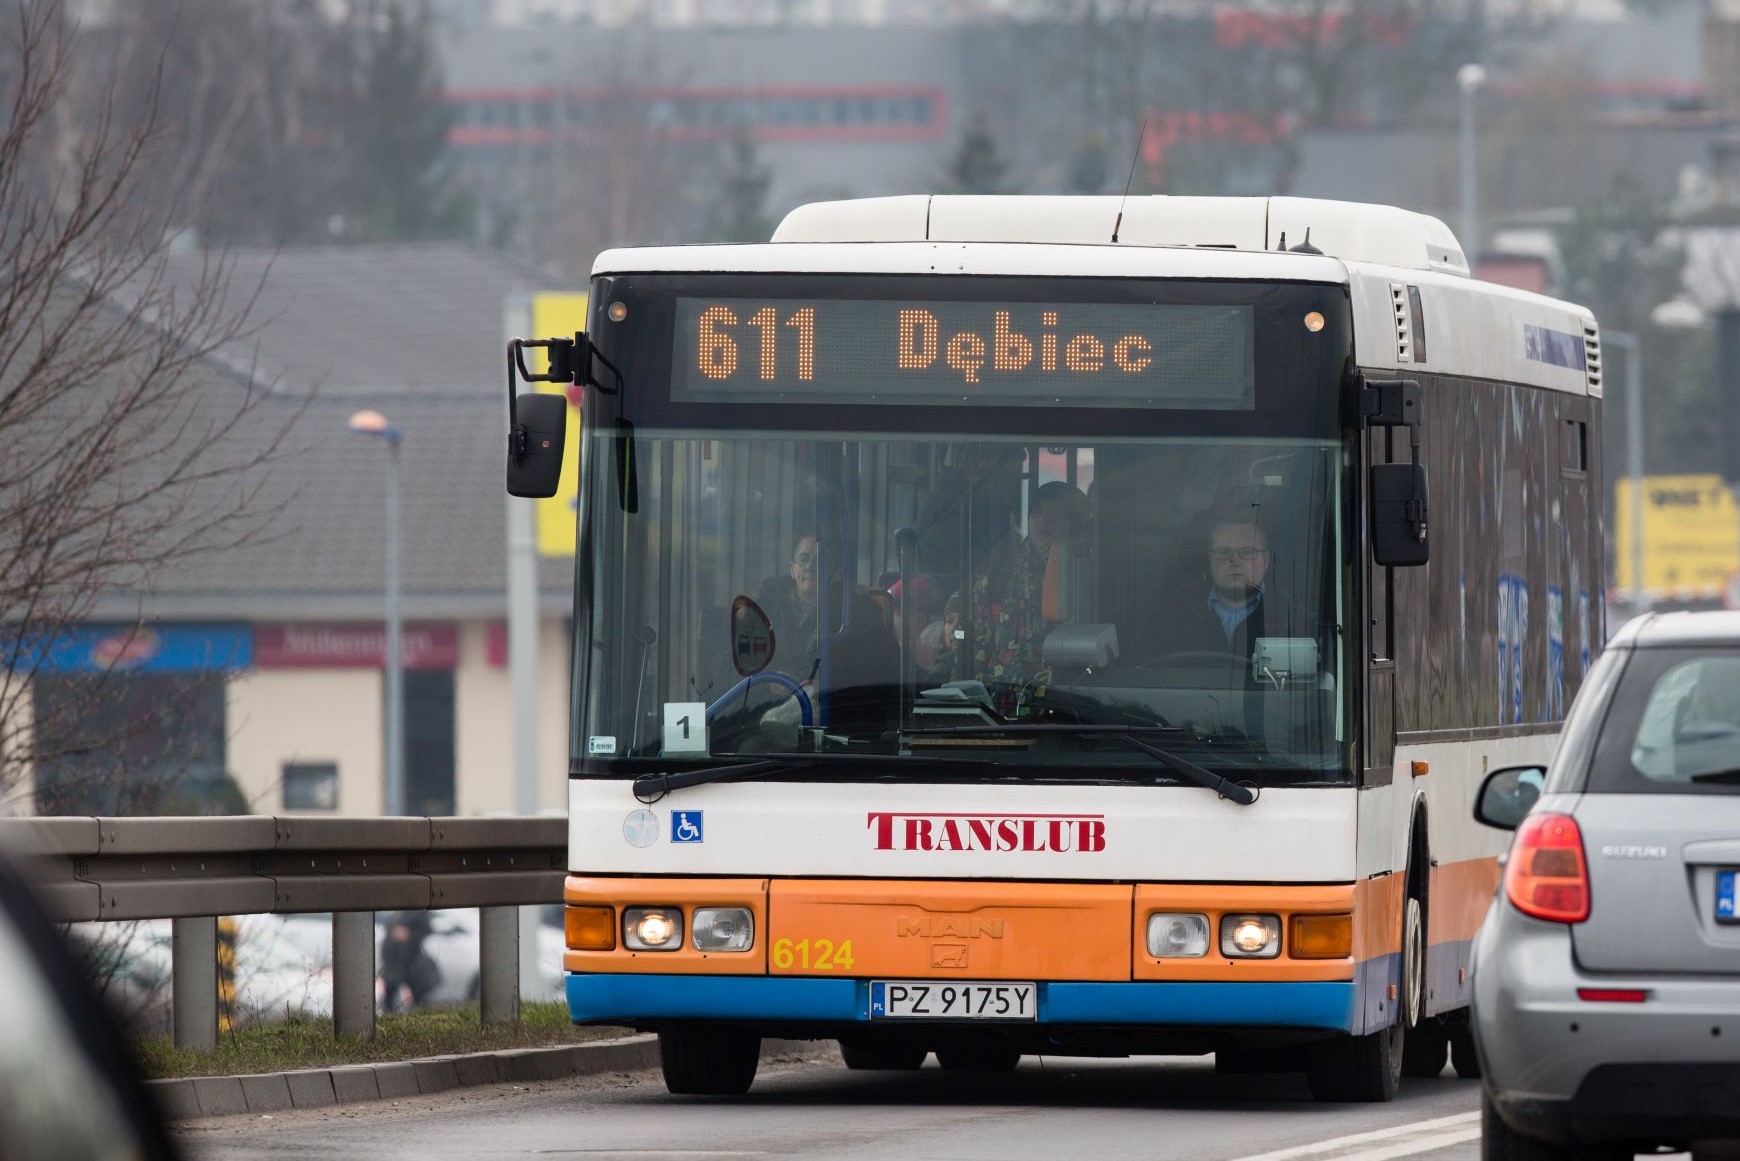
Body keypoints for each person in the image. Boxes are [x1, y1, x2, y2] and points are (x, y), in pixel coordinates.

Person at [968, 481, 1087, 711]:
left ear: (1072, 523)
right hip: (1003, 703)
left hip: (1064, 702)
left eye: (1056, 514)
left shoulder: (1084, 572)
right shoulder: (998, 573)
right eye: (1037, 512)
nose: (1044, 521)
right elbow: (980, 643)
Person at [1138, 512, 1270, 662]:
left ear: (1266, 561)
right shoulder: (1173, 611)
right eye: (1224, 552)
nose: (1234, 560)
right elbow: (1142, 672)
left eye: (1247, 552)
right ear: (1210, 559)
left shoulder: (1290, 617)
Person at [379, 910, 438, 1012]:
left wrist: (408, 933)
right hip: (393, 964)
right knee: (389, 999)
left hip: (411, 962)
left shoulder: (418, 912)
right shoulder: (395, 913)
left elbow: (426, 929)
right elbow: (387, 926)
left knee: (418, 1000)